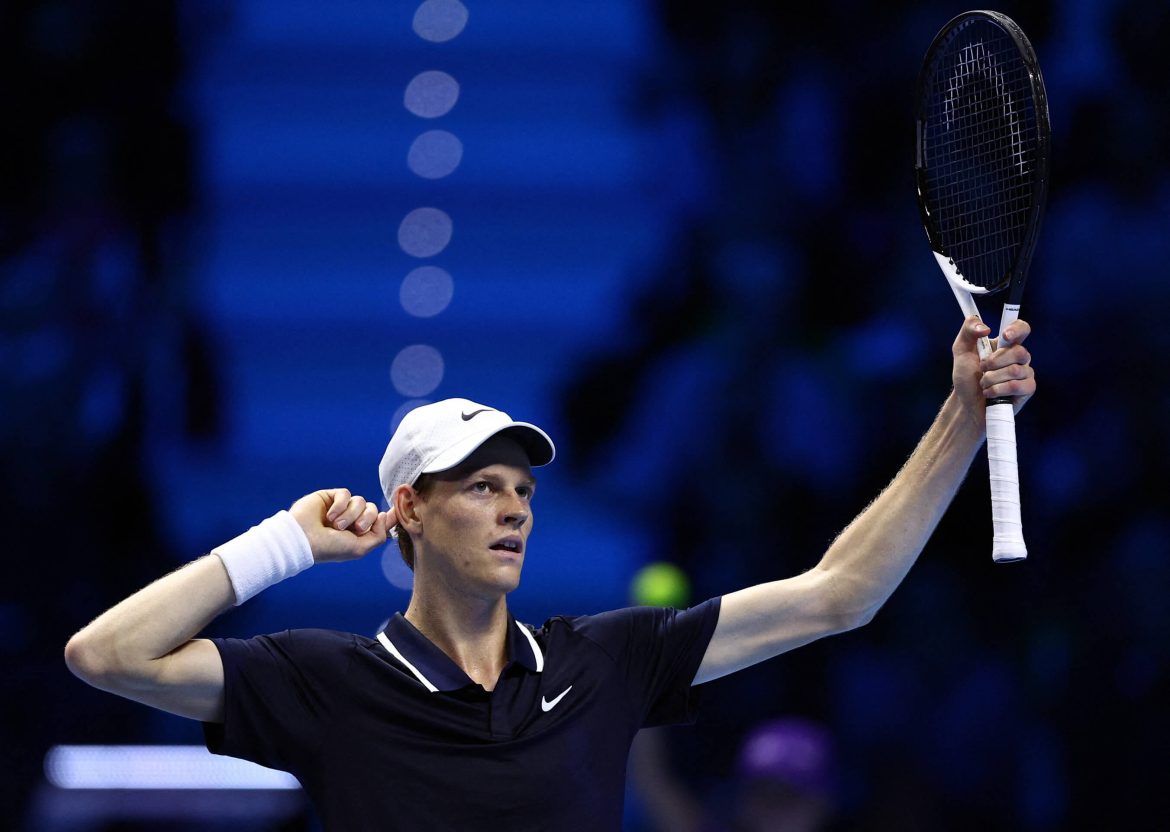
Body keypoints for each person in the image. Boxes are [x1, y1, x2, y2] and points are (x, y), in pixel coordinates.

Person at [65, 317, 1036, 831]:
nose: (515, 506)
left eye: (522, 488)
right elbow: (106, 652)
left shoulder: (608, 658)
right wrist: (282, 540)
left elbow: (841, 592)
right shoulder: (327, 682)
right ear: (408, 509)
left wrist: (960, 412)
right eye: (482, 485)